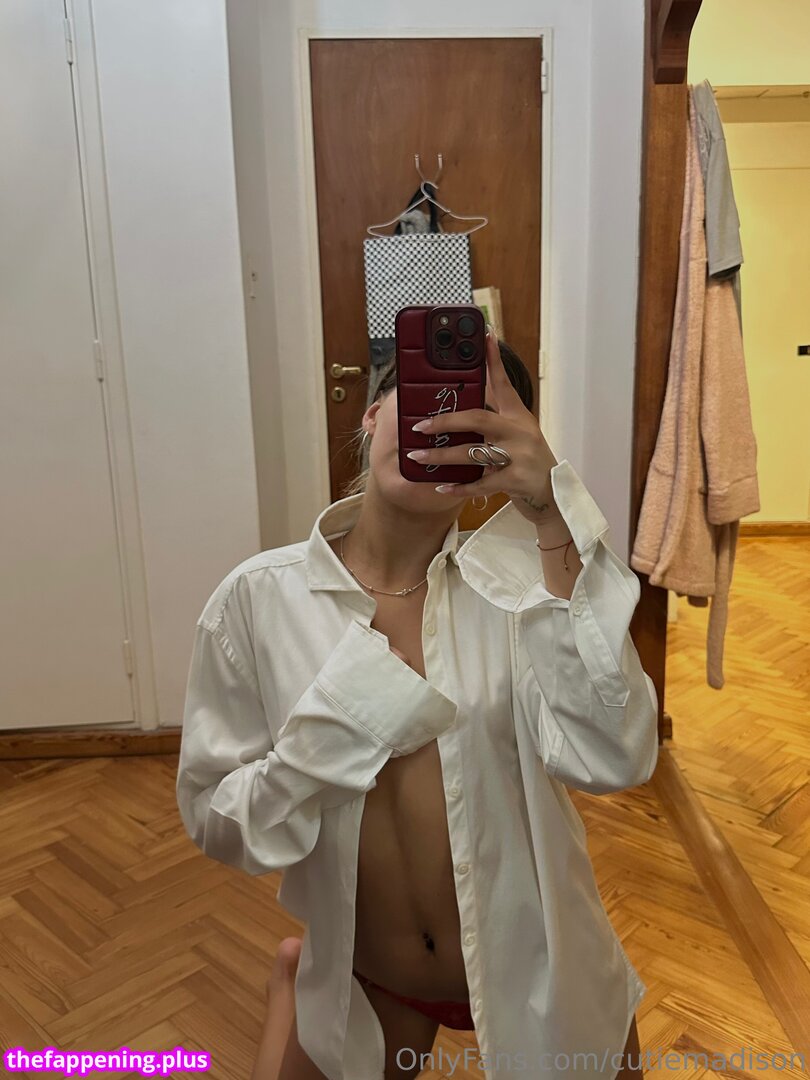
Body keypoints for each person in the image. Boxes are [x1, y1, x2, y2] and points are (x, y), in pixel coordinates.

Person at [176, 326, 658, 1080]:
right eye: (422, 399)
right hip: (368, 980)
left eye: (472, 412)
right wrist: (341, 727)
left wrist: (551, 515)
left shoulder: (527, 594)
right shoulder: (258, 602)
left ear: (497, 455)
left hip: (545, 968)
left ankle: (289, 977)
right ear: (372, 415)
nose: (441, 425)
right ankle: (294, 979)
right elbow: (217, 819)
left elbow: (615, 756)